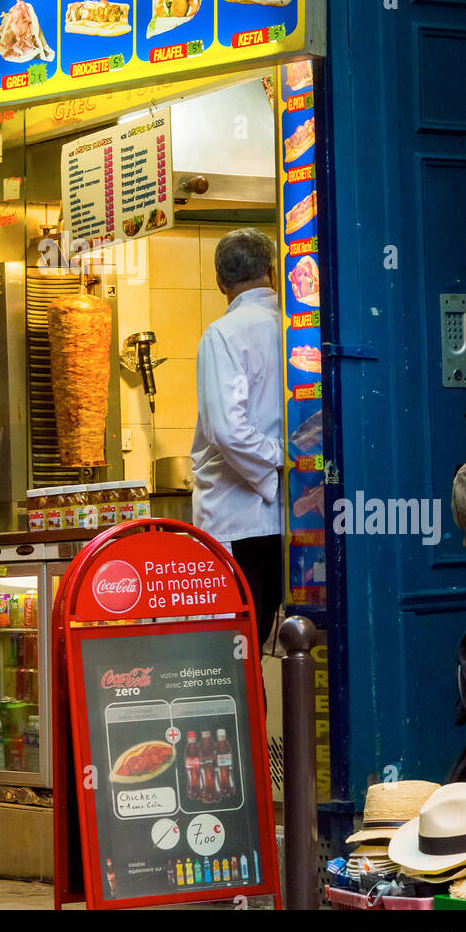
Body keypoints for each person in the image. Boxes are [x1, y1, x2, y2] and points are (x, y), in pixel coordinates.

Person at [191, 228, 284, 649]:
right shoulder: (296, 330)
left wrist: (273, 467)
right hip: (287, 520)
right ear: (272, 271)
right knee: (268, 641)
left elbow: (226, 428)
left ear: (220, 283)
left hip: (236, 522)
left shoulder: (223, 334)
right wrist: (282, 469)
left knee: (232, 652)